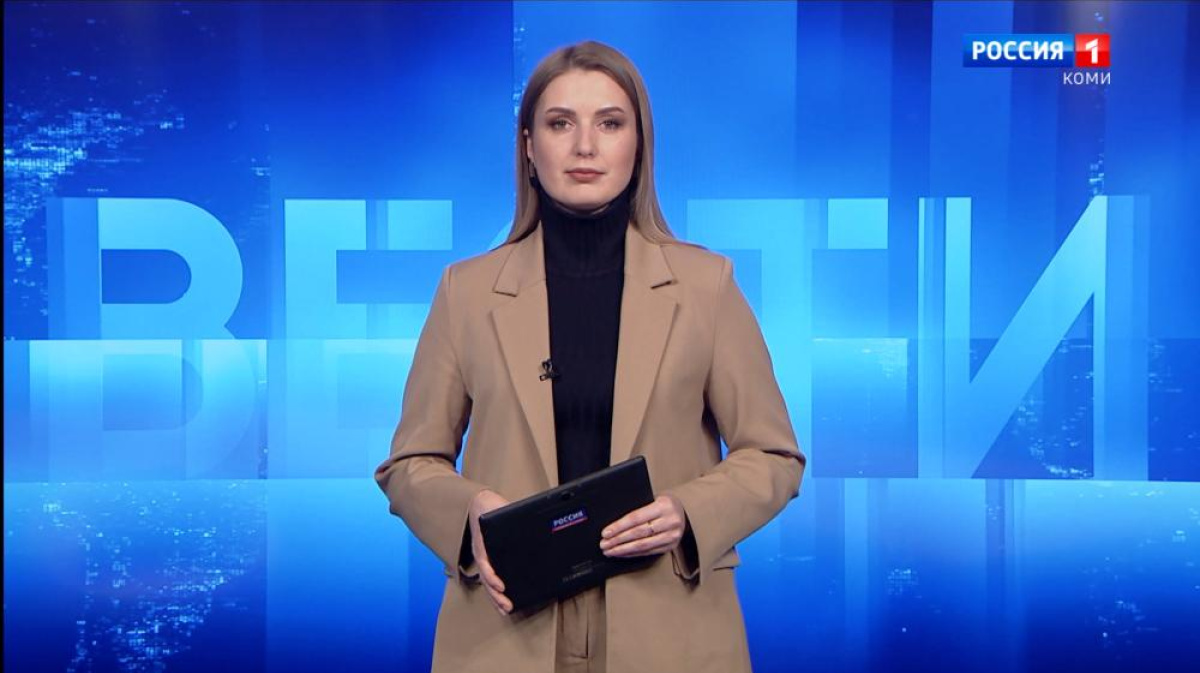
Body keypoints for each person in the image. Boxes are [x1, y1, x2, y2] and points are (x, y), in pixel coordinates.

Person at [374, 40, 805, 673]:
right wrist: (469, 515)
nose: (584, 146)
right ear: (528, 147)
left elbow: (773, 455)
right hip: (505, 630)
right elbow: (410, 463)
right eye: (560, 124)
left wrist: (689, 513)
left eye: (609, 123)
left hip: (670, 630)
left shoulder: (706, 286)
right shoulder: (465, 292)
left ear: (639, 144)